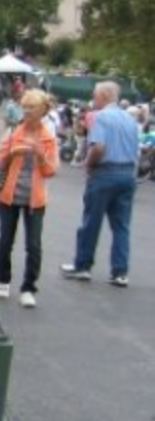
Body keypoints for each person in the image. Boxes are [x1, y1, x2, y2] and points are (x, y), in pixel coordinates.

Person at [61, 81, 140, 286]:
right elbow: (136, 150)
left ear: (104, 96)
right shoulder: (130, 118)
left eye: (95, 95)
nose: (93, 98)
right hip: (127, 173)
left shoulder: (101, 117)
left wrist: (88, 164)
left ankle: (83, 266)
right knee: (121, 226)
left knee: (91, 222)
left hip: (105, 173)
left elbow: (98, 147)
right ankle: (120, 272)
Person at [0, 90, 59, 308]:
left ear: (42, 110)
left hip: (35, 200)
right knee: (5, 241)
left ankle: (29, 288)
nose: (27, 111)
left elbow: (51, 171)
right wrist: (11, 153)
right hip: (9, 196)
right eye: (25, 107)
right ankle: (3, 280)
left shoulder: (48, 137)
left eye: (32, 107)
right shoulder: (14, 131)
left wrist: (40, 156)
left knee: (34, 245)